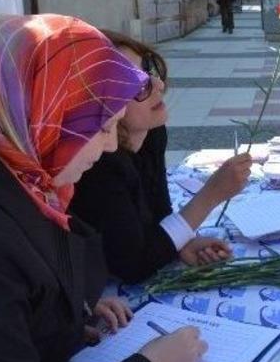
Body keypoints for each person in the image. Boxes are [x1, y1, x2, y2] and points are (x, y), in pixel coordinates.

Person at [0, 14, 208, 362]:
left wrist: (63, 318)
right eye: (103, 126)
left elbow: (24, 298)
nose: (109, 146)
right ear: (44, 119)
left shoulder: (24, 179)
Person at [71, 31, 252, 284]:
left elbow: (159, 216)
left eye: (149, 69)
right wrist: (210, 195)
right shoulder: (99, 163)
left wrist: (182, 243)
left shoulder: (152, 133)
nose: (158, 85)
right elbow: (133, 265)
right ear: (102, 103)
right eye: (135, 84)